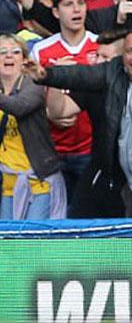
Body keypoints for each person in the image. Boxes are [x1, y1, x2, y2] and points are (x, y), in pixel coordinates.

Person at [28, 30, 132, 218]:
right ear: (122, 57)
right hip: (129, 190)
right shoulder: (113, 75)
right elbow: (80, 74)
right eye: (130, 51)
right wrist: (46, 75)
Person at [31, 0, 99, 209]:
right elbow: (30, 96)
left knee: (85, 216)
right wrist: (52, 114)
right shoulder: (41, 51)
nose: (76, 10)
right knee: (55, 218)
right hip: (52, 150)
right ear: (56, 12)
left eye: (80, 3)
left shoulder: (99, 46)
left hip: (89, 150)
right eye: (68, 5)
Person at [0, 33, 65, 220]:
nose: (9, 56)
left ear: (24, 59)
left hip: (38, 180)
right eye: (2, 52)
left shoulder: (34, 84)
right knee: (9, 243)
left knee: (33, 239)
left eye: (15, 52)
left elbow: (20, 107)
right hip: (7, 183)